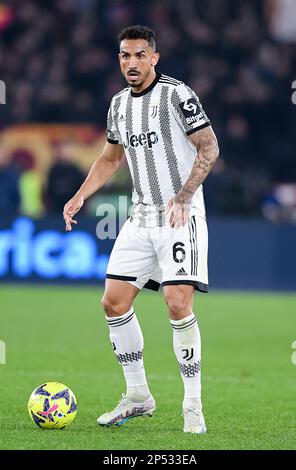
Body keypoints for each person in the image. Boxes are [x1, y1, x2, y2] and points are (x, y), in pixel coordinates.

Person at [63, 25, 219, 434]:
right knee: (113, 302)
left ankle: (192, 406)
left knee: (176, 302)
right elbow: (110, 159)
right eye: (124, 56)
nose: (131, 63)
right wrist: (80, 196)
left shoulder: (177, 94)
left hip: (179, 214)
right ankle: (137, 396)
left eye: (138, 55)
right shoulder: (117, 105)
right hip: (140, 216)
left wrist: (184, 196)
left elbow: (209, 146)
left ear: (154, 57)